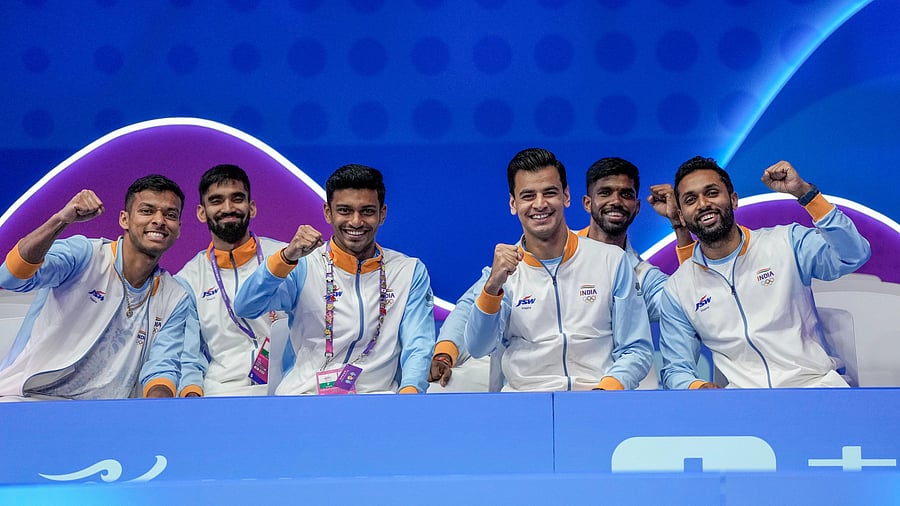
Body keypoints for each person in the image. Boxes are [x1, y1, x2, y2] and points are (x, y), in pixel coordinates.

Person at [658, 157, 871, 389]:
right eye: (691, 200)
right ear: (680, 216)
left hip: (816, 388)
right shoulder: (678, 288)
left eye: (711, 193)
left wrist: (806, 194)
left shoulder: (786, 242)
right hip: (744, 405)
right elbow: (676, 368)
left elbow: (853, 255)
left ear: (733, 200)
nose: (703, 204)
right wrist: (695, 386)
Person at [233, 164, 435, 394]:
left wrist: (409, 396)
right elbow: (245, 306)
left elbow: (418, 345)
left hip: (377, 400)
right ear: (328, 213)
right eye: (345, 211)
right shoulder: (303, 265)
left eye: (367, 211)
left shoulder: (408, 271)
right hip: (304, 397)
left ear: (383, 214)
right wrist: (286, 257)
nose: (356, 222)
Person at [463, 148, 653, 391]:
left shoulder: (611, 260)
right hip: (526, 403)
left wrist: (607, 390)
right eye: (528, 196)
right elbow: (478, 347)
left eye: (550, 193)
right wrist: (492, 287)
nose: (540, 204)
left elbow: (636, 348)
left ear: (566, 196)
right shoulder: (502, 274)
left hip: (599, 398)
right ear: (513, 203)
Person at [0, 175, 195, 399]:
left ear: (178, 229)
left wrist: (159, 414)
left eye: (170, 215)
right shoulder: (85, 255)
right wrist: (62, 219)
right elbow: (11, 277)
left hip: (105, 416)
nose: (159, 220)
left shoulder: (175, 296)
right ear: (124, 219)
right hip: (29, 398)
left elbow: (162, 369)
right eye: (147, 211)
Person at [176, 164, 287, 397]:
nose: (228, 208)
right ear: (201, 212)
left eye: (237, 199)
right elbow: (189, 355)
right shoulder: (189, 278)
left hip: (287, 388)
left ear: (252, 207)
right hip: (222, 393)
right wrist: (191, 396)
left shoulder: (286, 258)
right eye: (216, 201)